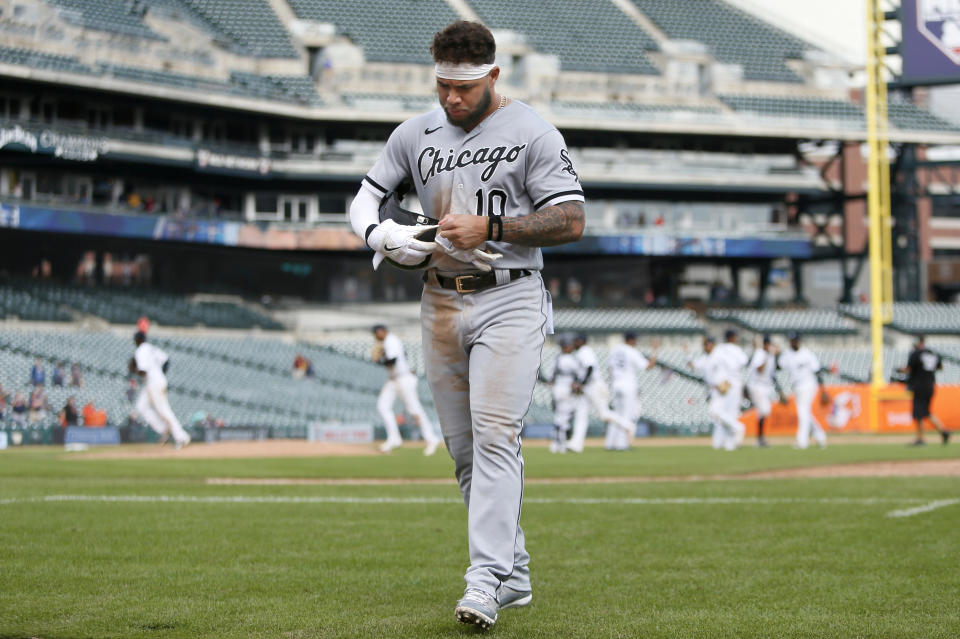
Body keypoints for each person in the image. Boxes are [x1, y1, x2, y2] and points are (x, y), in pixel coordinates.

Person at [347, 20, 585, 630]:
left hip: (510, 297)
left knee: (496, 435)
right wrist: (381, 234)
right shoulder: (415, 132)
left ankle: (483, 583)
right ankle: (516, 574)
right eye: (444, 84)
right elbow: (365, 199)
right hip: (439, 299)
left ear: (493, 75)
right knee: (463, 454)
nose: (453, 98)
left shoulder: (531, 130)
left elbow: (571, 220)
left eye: (465, 86)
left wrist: (494, 228)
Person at [370, 324, 441, 455]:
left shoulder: (391, 340)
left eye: (376, 332)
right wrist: (380, 358)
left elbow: (392, 361)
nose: (375, 335)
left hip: (404, 379)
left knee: (414, 410)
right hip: (393, 380)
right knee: (383, 406)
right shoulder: (386, 342)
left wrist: (378, 360)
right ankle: (394, 438)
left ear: (382, 331)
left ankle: (431, 439)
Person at [568, 333, 635, 453]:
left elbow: (590, 367)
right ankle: (576, 444)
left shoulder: (585, 350)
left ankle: (628, 425)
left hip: (594, 385)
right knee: (581, 415)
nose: (574, 343)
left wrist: (580, 383)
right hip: (587, 387)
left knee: (604, 414)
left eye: (576, 341)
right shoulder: (580, 352)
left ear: (581, 341)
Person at [131, 331, 190, 449]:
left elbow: (143, 371)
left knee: (163, 410)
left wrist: (134, 369)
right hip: (154, 381)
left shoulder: (140, 351)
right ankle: (164, 429)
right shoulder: (151, 348)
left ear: (137, 340)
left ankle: (182, 437)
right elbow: (166, 360)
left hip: (153, 383)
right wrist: (160, 374)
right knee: (141, 407)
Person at [606, 332, 657, 451]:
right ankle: (622, 445)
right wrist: (655, 351)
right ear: (632, 340)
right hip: (628, 385)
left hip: (615, 384)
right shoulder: (632, 351)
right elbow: (648, 367)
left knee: (616, 416)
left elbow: (610, 368)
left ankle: (610, 443)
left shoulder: (615, 350)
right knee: (626, 415)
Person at [777, 331, 828, 450]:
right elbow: (778, 366)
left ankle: (802, 441)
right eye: (791, 340)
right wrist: (776, 353)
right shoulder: (786, 354)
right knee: (805, 413)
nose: (793, 342)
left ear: (799, 340)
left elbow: (817, 371)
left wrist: (823, 390)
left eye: (794, 340)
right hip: (796, 386)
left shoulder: (807, 354)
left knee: (802, 411)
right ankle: (820, 436)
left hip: (809, 384)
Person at [898, 335, 950, 446]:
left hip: (919, 386)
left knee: (918, 413)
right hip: (930, 386)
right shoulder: (932, 353)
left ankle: (920, 439)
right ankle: (943, 431)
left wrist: (899, 370)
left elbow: (908, 369)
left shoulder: (915, 354)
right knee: (926, 412)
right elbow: (940, 368)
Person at [542, 333, 581, 453]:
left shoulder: (557, 359)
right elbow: (579, 376)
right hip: (566, 390)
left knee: (559, 417)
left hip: (557, 389)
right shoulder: (572, 359)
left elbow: (550, 378)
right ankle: (561, 445)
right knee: (564, 418)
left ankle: (555, 444)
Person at [745, 334, 781, 448]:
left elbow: (774, 373)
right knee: (765, 410)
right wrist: (767, 356)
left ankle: (760, 439)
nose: (767, 346)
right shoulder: (760, 354)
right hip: (756, 386)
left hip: (766, 387)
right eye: (766, 344)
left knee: (763, 412)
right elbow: (759, 369)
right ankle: (760, 439)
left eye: (769, 344)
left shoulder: (770, 356)